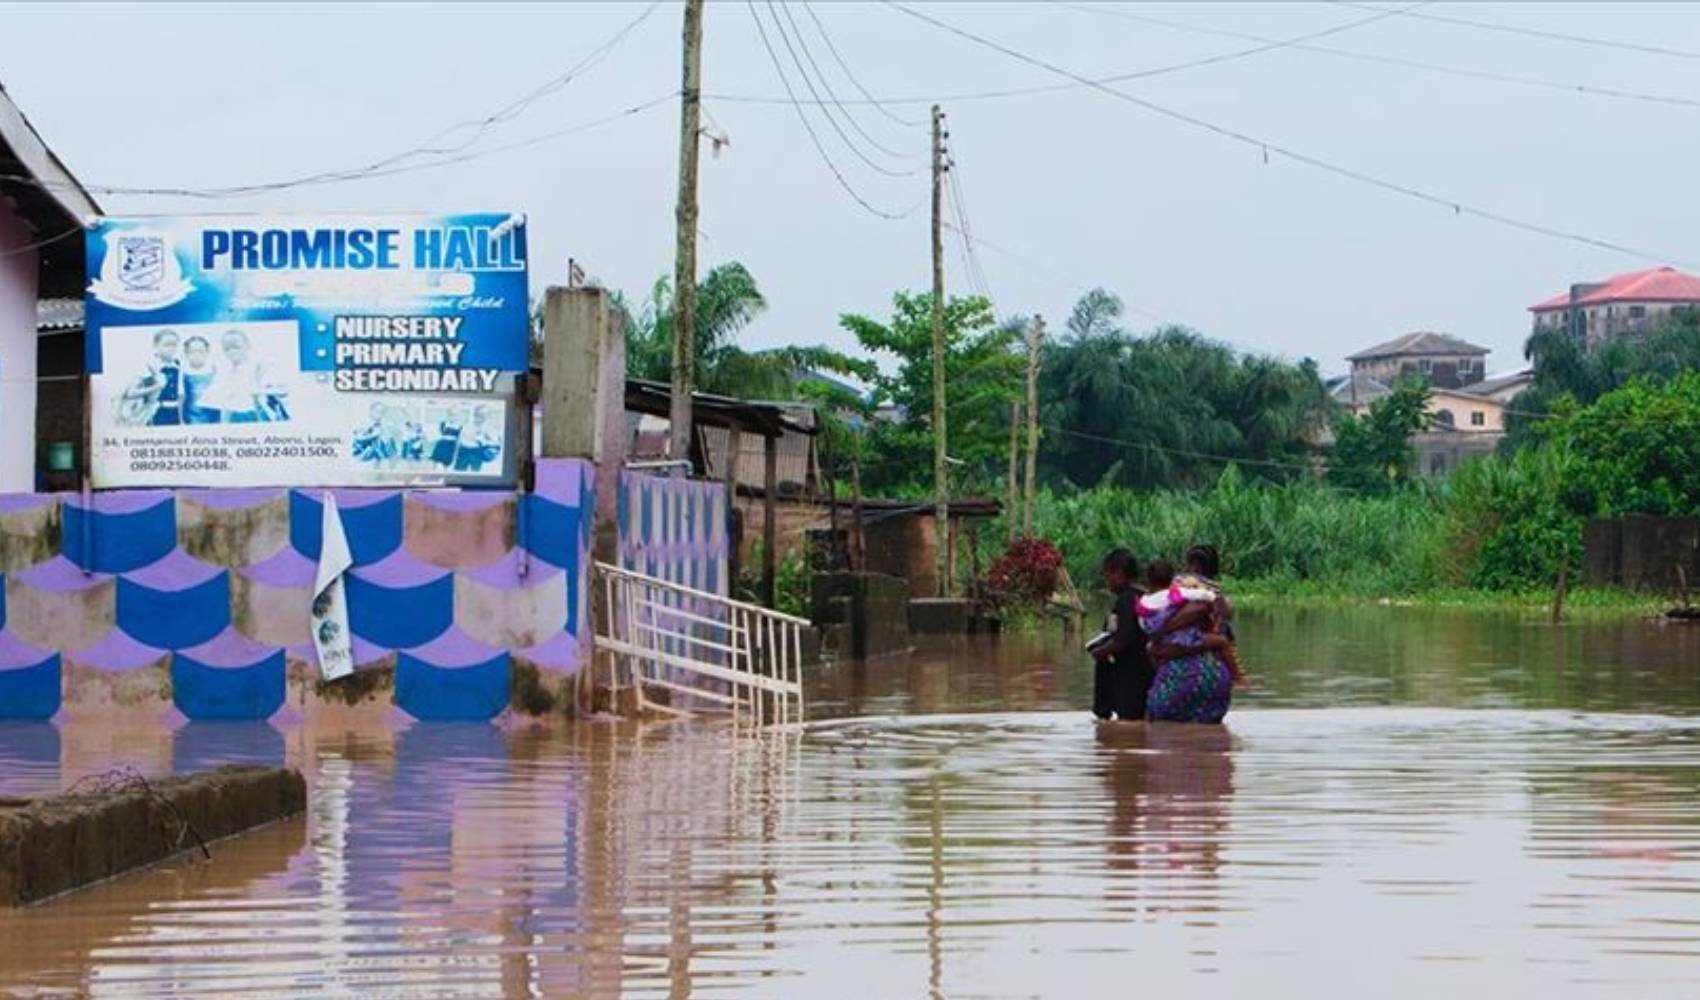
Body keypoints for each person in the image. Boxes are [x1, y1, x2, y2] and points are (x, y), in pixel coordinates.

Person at [1138, 559, 1233, 724]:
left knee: (1156, 727)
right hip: (1217, 680)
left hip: (1180, 678)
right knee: (1213, 740)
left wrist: (1162, 631)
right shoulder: (1215, 599)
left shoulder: (1174, 592)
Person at [1089, 548, 1156, 722]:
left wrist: (1100, 652)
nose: (1107, 581)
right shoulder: (1143, 595)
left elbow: (1122, 639)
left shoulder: (1127, 599)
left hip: (1131, 675)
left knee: (1129, 722)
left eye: (1107, 576)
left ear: (1118, 573)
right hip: (1146, 672)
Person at [1175, 544, 1246, 687]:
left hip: (1179, 637)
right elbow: (1226, 613)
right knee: (1226, 635)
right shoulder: (1213, 587)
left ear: (1193, 565)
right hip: (1206, 636)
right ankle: (1237, 676)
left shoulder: (1177, 581)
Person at [119, 328, 183, 426]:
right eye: (167, 344)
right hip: (155, 414)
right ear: (156, 345)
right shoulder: (149, 367)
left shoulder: (178, 366)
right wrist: (156, 387)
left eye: (174, 344)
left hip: (176, 414)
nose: (171, 348)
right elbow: (130, 393)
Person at [181, 335, 220, 424]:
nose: (197, 355)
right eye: (193, 351)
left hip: (212, 416)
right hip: (191, 416)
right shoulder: (183, 372)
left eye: (201, 351)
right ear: (186, 353)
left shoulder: (214, 370)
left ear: (207, 352)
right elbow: (182, 397)